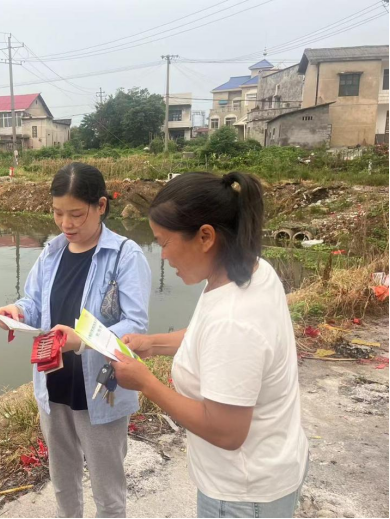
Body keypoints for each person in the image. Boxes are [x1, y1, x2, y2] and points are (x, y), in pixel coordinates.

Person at [112, 172, 309, 519]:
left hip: (242, 495)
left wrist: (146, 383)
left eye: (165, 242)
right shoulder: (248, 272)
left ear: (205, 236)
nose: (162, 257)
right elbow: (210, 340)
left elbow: (226, 431)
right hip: (270, 469)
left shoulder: (234, 318)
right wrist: (152, 343)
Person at [0, 163, 152, 518]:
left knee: (107, 490)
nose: (66, 224)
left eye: (77, 214)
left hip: (100, 388)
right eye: (58, 213)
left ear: (101, 206)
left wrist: (80, 340)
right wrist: (16, 313)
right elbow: (34, 302)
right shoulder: (52, 251)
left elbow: (135, 327)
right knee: (63, 482)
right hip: (53, 382)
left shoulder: (125, 256)